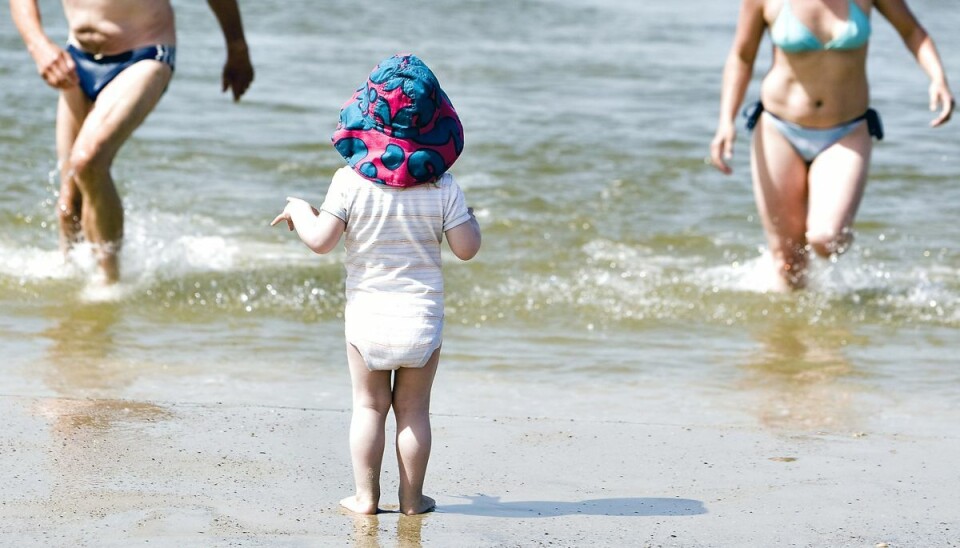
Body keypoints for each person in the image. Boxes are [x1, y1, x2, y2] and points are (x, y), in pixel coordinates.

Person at [271, 54, 481, 515]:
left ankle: (366, 497)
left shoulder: (348, 182)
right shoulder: (443, 187)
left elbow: (322, 242)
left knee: (369, 410)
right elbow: (466, 248)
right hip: (421, 322)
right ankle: (412, 499)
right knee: (413, 413)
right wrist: (470, 219)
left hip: (367, 320)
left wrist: (299, 210)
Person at [709, 0, 953, 289]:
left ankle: (839, 247)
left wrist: (937, 77)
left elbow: (913, 31)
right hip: (778, 129)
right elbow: (742, 56)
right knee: (788, 263)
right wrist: (726, 120)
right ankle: (792, 333)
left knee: (825, 238)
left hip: (846, 131)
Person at [9, 0, 254, 283]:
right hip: (77, 56)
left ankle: (109, 285)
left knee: (88, 160)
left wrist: (237, 47)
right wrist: (38, 45)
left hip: (143, 53)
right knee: (69, 206)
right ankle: (72, 298)